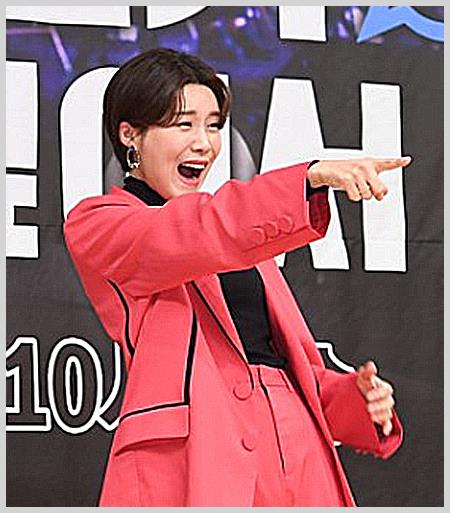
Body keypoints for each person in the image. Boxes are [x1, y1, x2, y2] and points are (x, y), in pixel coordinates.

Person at [64, 48, 409, 507]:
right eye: (183, 124)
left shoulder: (247, 246)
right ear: (131, 134)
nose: (204, 143)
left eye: (213, 126)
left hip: (301, 462)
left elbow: (293, 373)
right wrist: (309, 178)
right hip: (197, 461)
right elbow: (191, 232)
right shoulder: (99, 223)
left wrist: (357, 401)